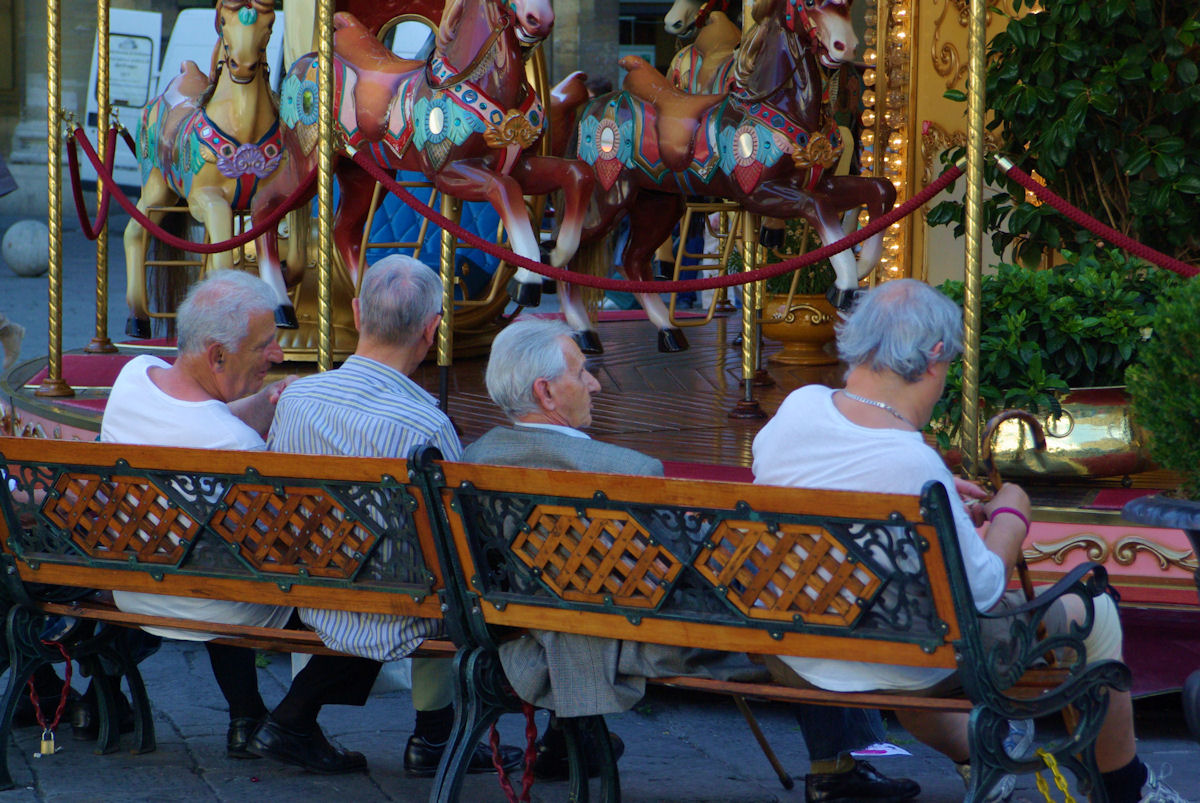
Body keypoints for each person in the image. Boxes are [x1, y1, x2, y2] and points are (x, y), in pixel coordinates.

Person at [752, 278, 1188, 803]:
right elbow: (982, 590)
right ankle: (1126, 788)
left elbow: (843, 478)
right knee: (1095, 610)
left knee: (916, 621)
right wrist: (1011, 514)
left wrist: (936, 502)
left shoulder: (797, 408)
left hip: (796, 650)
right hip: (905, 657)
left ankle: (985, 754)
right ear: (935, 356)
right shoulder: (912, 463)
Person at [464, 317, 920, 800]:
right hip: (636, 637)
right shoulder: (628, 472)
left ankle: (568, 737)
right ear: (546, 393)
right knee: (800, 598)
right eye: (581, 373)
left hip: (524, 631)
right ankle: (841, 767)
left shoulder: (471, 461)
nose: (595, 384)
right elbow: (688, 583)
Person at [102, 270, 381, 774]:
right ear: (217, 356)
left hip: (136, 587)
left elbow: (201, 419)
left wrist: (267, 402)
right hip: (214, 603)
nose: (278, 354)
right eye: (264, 345)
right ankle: (295, 721)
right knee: (376, 592)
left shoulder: (134, 378)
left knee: (217, 551)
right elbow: (292, 547)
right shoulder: (236, 447)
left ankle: (247, 715)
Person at [265, 254, 521, 777]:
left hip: (305, 579)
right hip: (395, 595)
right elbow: (459, 537)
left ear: (357, 313)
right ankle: (435, 736)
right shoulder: (425, 425)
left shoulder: (296, 399)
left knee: (400, 569)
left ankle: (408, 733)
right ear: (432, 329)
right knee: (451, 581)